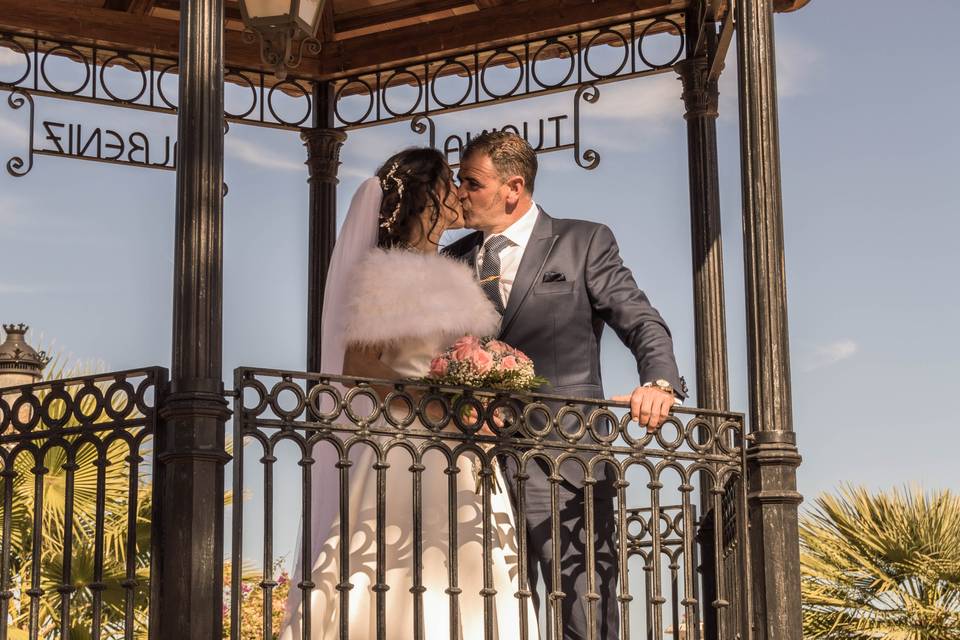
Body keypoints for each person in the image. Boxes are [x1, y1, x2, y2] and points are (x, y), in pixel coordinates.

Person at [280, 147, 539, 640]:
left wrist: (482, 389)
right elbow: (359, 365)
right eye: (449, 188)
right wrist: (438, 400)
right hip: (403, 445)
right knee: (394, 578)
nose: (459, 198)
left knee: (471, 577)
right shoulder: (387, 270)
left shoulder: (450, 268)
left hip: (462, 449)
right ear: (428, 198)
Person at [446, 131, 686, 640]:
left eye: (472, 181)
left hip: (565, 463)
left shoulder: (584, 241)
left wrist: (659, 382)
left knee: (584, 613)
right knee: (487, 616)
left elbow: (641, 320)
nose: (459, 191)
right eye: (457, 180)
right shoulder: (451, 261)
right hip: (472, 465)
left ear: (513, 187)